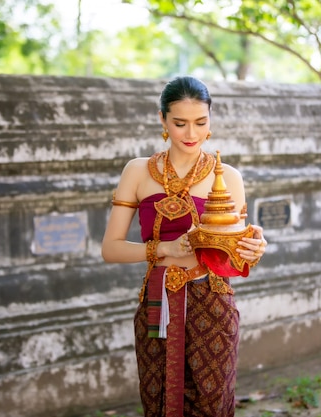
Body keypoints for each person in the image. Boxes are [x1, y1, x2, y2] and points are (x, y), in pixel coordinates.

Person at [101, 75, 267, 417]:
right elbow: (111, 249)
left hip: (213, 301)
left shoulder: (228, 177)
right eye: (180, 123)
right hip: (157, 301)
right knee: (160, 401)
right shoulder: (138, 172)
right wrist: (164, 249)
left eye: (200, 122)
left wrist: (252, 247)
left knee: (210, 404)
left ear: (210, 121)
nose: (191, 134)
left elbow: (231, 257)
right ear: (162, 120)